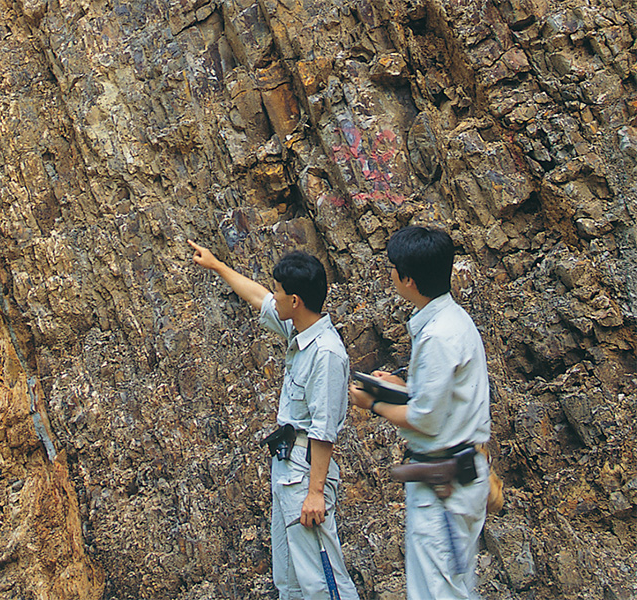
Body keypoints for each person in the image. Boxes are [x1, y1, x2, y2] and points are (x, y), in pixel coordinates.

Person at [190, 240, 360, 600]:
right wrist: (218, 266)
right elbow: (258, 297)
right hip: (287, 470)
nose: (275, 297)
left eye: (281, 293)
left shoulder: (327, 353)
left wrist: (315, 493)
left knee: (323, 580)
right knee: (290, 581)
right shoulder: (299, 332)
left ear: (295, 301)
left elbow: (324, 429)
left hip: (305, 474)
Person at [348, 226, 491, 600]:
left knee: (437, 593)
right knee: (450, 588)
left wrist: (374, 403)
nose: (390, 274)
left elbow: (426, 419)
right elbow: (444, 398)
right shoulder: (453, 321)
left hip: (444, 484)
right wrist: (400, 390)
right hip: (458, 474)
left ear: (408, 279)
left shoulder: (437, 336)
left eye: (393, 268)